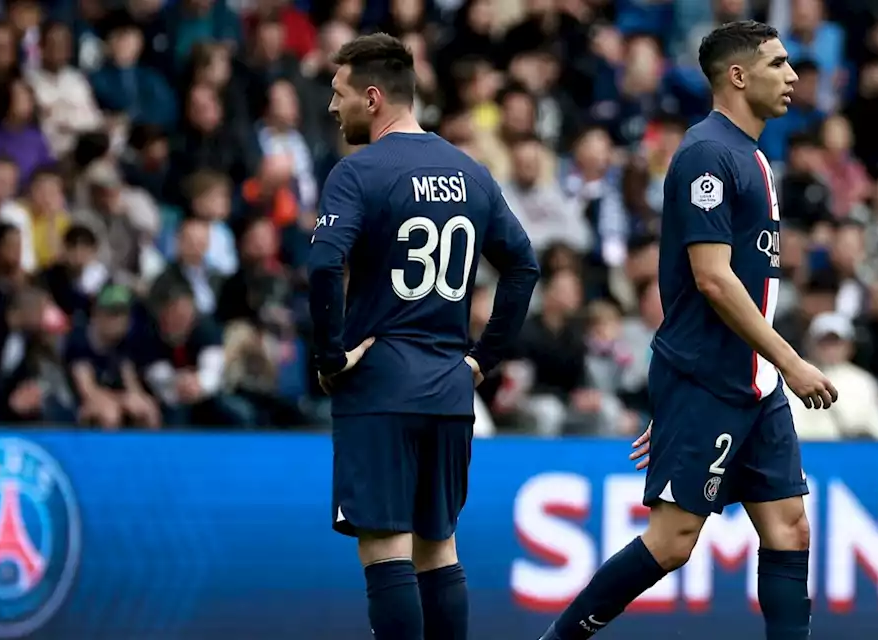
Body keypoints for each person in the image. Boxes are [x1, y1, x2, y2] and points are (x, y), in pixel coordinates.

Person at [540, 20, 836, 640]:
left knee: (790, 528)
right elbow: (713, 279)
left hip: (749, 382)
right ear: (737, 75)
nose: (792, 76)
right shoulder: (709, 152)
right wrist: (791, 361)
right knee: (673, 543)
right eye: (778, 64)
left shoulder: (752, 154)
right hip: (710, 376)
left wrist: (767, 371)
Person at [307, 33, 540, 640]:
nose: (333, 108)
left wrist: (331, 355)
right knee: (438, 551)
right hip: (447, 389)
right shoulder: (470, 171)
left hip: (379, 385)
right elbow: (524, 266)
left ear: (374, 97)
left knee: (386, 552)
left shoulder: (357, 172)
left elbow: (324, 264)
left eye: (339, 94)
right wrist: (481, 361)